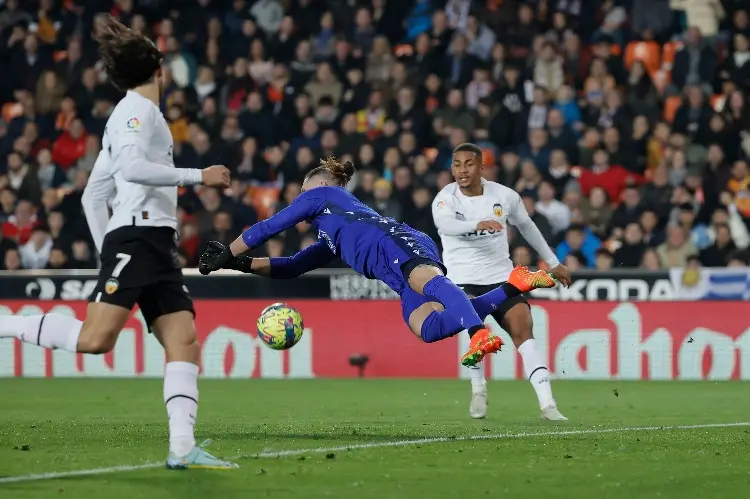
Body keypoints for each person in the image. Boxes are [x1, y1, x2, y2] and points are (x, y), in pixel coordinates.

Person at [0, 16, 235, 470]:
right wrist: (196, 175)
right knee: (95, 341)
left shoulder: (134, 114)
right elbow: (130, 170)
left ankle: (182, 447)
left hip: (150, 243)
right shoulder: (136, 113)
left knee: (183, 339)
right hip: (139, 236)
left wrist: (106, 252)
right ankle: (5, 324)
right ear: (160, 68)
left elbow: (94, 195)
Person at [198, 156, 560, 367]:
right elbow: (291, 266)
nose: (299, 201)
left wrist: (228, 251)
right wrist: (237, 264)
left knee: (425, 281)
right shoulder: (332, 236)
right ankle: (515, 283)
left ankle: (478, 333)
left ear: (319, 185)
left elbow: (268, 226)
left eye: (302, 193)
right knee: (428, 328)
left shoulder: (323, 194)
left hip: (395, 243)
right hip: (395, 265)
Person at [432, 142, 571, 421]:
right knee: (478, 333)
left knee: (524, 329)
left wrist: (554, 263)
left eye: (468, 164)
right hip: (461, 283)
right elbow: (445, 226)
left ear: (481, 167)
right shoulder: (445, 199)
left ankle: (548, 404)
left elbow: (527, 227)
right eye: (457, 165)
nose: (462, 170)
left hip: (500, 279)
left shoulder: (504, 196)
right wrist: (476, 225)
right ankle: (478, 389)